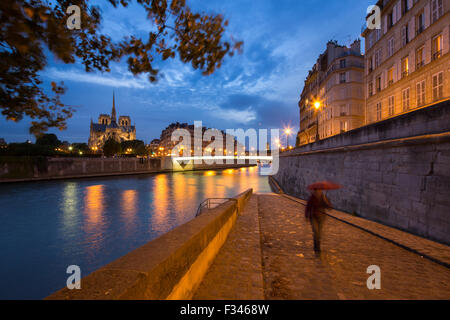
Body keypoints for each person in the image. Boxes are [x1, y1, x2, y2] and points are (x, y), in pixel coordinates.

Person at [305, 189, 332, 253]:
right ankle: (316, 248)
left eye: (320, 190)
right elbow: (308, 207)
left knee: (319, 233)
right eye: (317, 191)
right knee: (316, 232)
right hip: (313, 217)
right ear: (315, 191)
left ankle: (317, 246)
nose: (318, 192)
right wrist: (306, 215)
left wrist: (326, 202)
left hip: (321, 217)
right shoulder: (312, 198)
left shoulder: (323, 197)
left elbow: (329, 207)